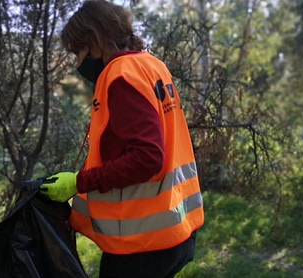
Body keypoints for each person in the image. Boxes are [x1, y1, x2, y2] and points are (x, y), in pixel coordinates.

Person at [39, 1, 204, 277]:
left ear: (94, 41)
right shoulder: (152, 66)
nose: (77, 63)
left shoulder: (120, 76)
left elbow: (147, 158)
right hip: (176, 229)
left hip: (141, 246)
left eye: (76, 52)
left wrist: (79, 182)